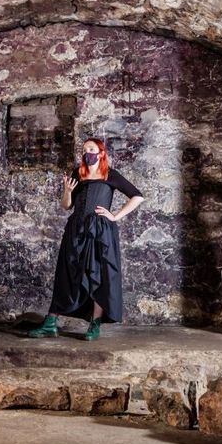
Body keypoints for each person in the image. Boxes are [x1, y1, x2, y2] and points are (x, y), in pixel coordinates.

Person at [29, 138, 145, 341]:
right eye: (84, 150)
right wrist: (67, 191)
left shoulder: (110, 175)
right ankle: (51, 323)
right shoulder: (78, 174)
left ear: (101, 153)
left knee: (99, 275)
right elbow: (66, 206)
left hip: (100, 232)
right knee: (66, 272)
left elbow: (137, 196)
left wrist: (115, 215)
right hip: (76, 230)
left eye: (91, 149)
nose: (86, 152)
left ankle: (95, 323)